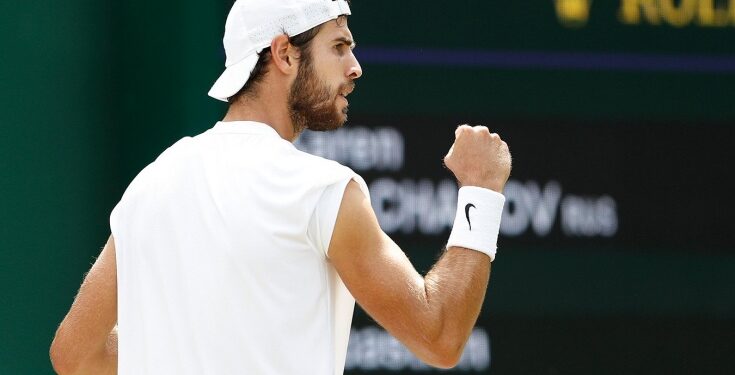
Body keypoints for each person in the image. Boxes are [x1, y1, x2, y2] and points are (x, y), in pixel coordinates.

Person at [49, 0, 512, 374]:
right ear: (285, 53)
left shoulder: (149, 187)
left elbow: (75, 356)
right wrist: (482, 190)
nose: (355, 68)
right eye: (339, 47)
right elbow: (440, 336)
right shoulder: (322, 190)